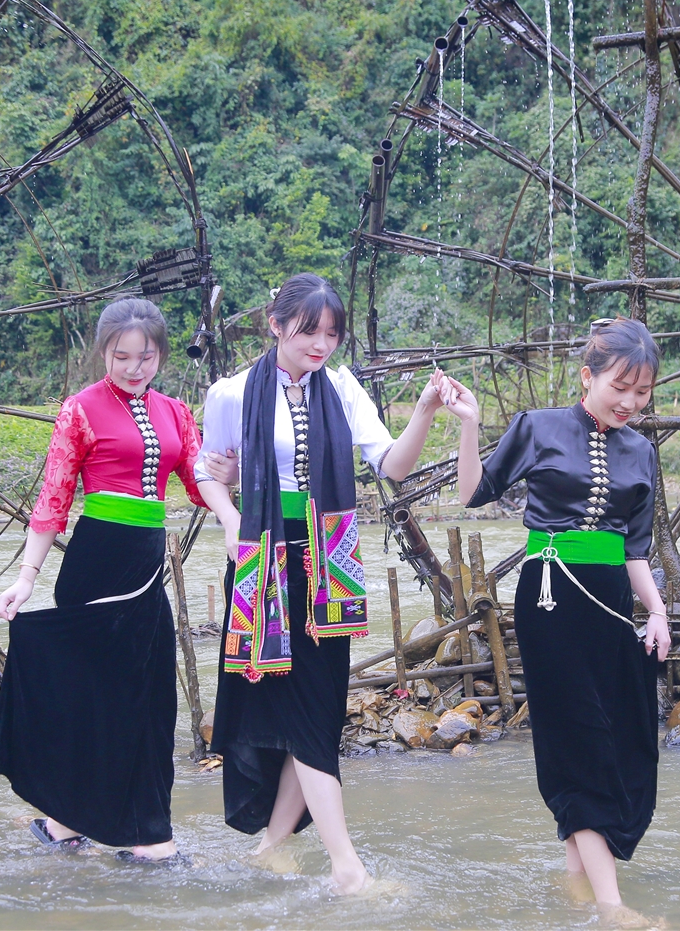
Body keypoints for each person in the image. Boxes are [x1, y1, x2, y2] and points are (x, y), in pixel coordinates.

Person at [195, 273, 453, 894]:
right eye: (309, 331)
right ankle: (347, 865)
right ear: (276, 325)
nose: (322, 345)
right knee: (296, 709)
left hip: (327, 564)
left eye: (332, 333)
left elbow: (391, 465)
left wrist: (421, 413)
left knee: (316, 711)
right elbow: (208, 471)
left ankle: (271, 848)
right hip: (262, 562)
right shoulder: (230, 393)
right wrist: (231, 521)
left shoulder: (342, 387)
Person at [445, 317, 671, 919]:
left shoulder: (641, 450)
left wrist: (657, 612)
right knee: (581, 742)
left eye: (642, 392)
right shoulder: (538, 427)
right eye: (619, 387)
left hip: (611, 609)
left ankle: (573, 886)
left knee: (626, 741)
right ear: (587, 376)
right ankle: (612, 905)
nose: (630, 402)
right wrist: (470, 425)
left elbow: (635, 548)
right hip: (551, 600)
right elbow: (474, 492)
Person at [0, 297, 206, 865]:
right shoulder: (79, 410)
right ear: (103, 352)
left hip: (147, 567)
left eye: (146, 356)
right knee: (97, 701)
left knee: (152, 703)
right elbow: (53, 499)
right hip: (96, 565)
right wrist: (27, 577)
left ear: (160, 354)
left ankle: (64, 823)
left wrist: (236, 481)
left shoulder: (177, 412)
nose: (135, 367)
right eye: (122, 356)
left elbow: (203, 487)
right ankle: (146, 836)